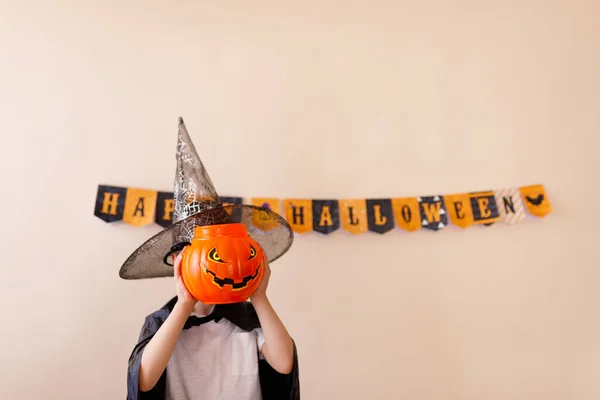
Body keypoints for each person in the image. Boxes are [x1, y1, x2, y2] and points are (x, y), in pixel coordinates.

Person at [127, 250, 299, 400]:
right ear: (176, 261)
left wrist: (259, 296)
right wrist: (185, 303)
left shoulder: (248, 318)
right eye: (210, 254)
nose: (215, 264)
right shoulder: (163, 322)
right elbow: (143, 381)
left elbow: (283, 363)